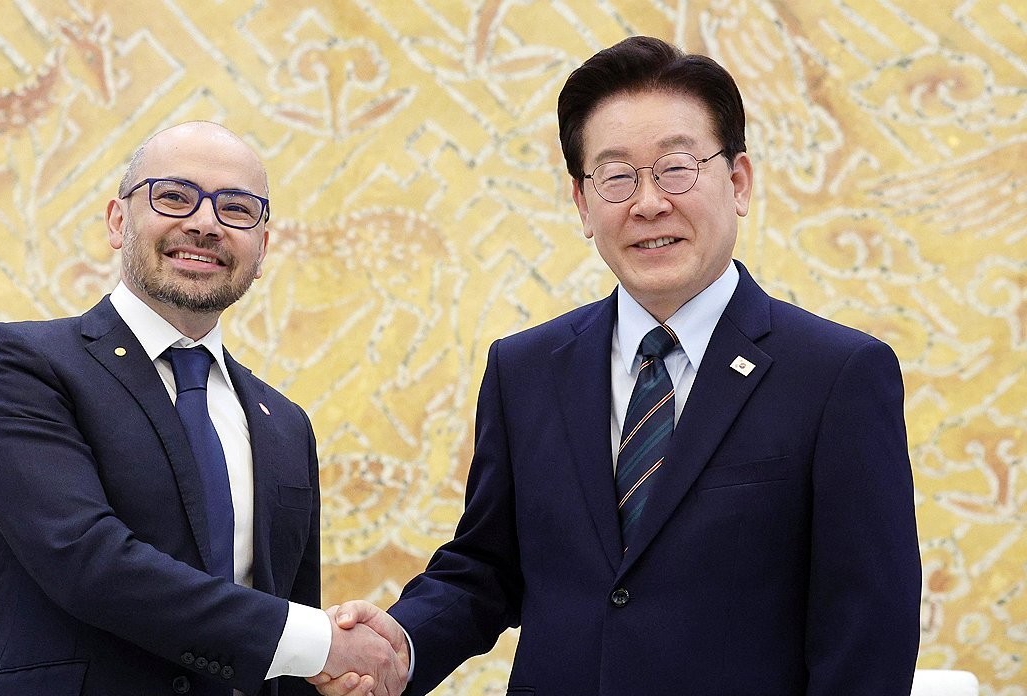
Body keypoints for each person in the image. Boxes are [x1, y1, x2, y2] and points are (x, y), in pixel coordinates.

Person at [312, 36, 921, 696]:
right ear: (582, 202)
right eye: (617, 176)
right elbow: (487, 566)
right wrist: (400, 645)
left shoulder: (836, 376)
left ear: (738, 182)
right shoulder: (525, 370)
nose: (648, 203)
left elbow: (868, 633)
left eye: (676, 168)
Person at [0, 121, 407, 696]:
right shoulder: (23, 365)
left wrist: (334, 672)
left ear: (262, 250)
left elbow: (283, 634)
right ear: (118, 221)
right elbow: (87, 561)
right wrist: (321, 643)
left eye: (236, 208)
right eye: (173, 196)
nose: (205, 223)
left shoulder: (286, 425)